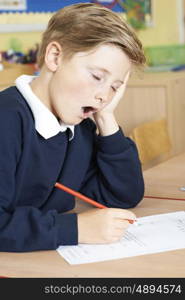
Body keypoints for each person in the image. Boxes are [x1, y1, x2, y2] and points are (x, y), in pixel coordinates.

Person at [0, 3, 145, 252]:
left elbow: (122, 196)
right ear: (55, 57)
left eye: (114, 87)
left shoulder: (76, 129)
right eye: (98, 77)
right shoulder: (6, 120)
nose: (103, 95)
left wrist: (106, 119)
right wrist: (76, 228)